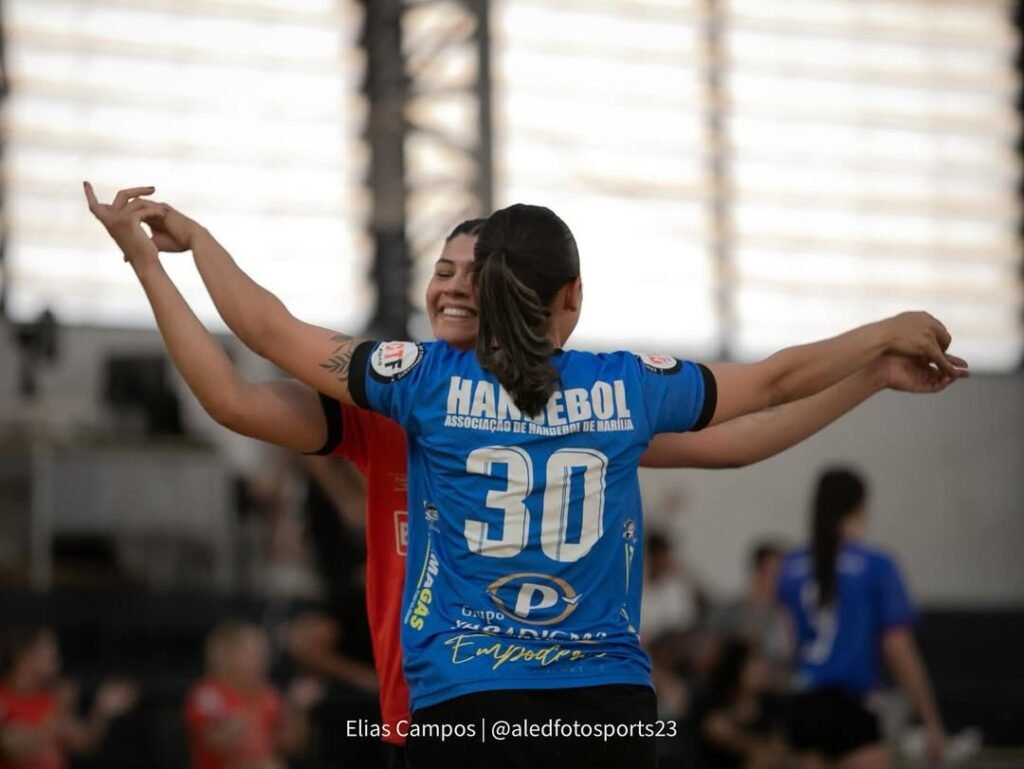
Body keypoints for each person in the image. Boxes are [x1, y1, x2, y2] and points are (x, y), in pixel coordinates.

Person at [85, 185, 966, 769]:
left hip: (459, 706)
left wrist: (182, 248)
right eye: (441, 271)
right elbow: (235, 397)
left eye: (474, 275)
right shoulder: (610, 395)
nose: (452, 287)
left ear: (507, 295)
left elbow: (267, 334)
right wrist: (870, 360)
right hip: (574, 707)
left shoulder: (416, 384)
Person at [776, 468, 947, 769]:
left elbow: (787, 643)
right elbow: (898, 649)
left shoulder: (791, 565)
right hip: (852, 703)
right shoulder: (876, 565)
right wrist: (929, 719)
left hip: (805, 702)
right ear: (859, 507)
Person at [184, 621, 320, 769]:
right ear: (226, 657)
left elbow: (290, 746)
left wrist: (296, 709)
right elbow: (216, 743)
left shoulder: (268, 693)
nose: (259, 660)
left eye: (260, 653)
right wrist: (241, 719)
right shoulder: (207, 693)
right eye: (249, 653)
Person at [0, 628, 137, 769]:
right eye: (48, 648)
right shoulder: (3, 699)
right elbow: (15, 751)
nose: (56, 655)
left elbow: (83, 743)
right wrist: (60, 709)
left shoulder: (50, 697)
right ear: (23, 654)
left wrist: (101, 711)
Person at [692, 638, 785, 769]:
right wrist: (755, 747)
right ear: (737, 668)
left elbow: (778, 747)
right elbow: (718, 731)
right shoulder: (712, 702)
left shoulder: (770, 704)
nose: (764, 669)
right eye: (755, 663)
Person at [711, 540, 791, 682]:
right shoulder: (732, 611)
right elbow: (713, 653)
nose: (781, 578)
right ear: (759, 571)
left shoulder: (787, 615)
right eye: (774, 571)